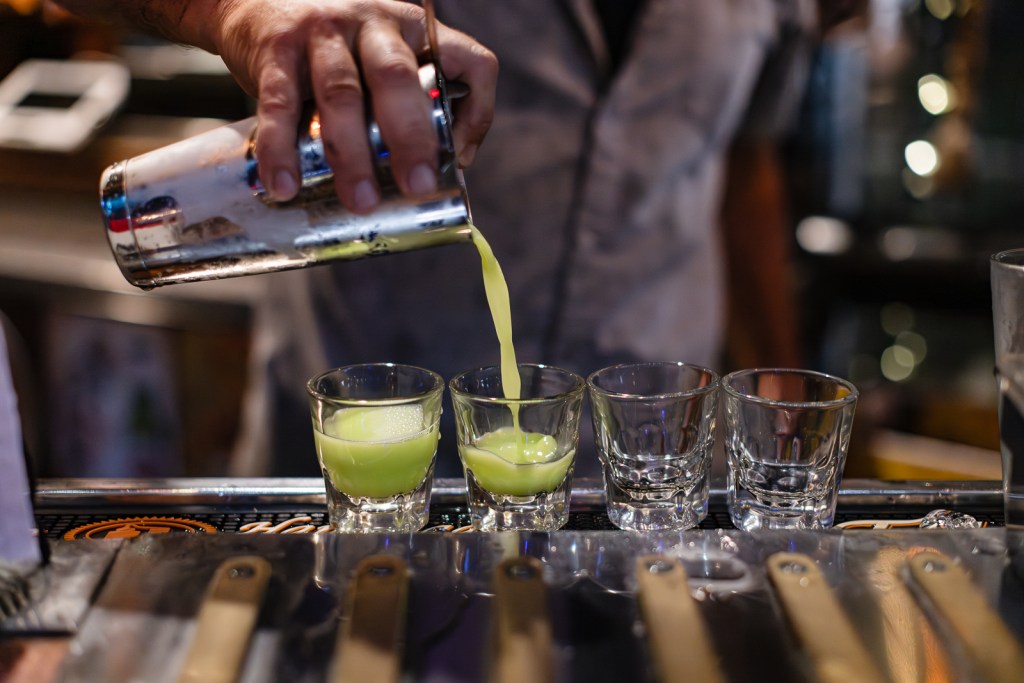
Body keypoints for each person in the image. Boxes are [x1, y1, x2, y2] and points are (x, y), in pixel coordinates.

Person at [54, 0, 814, 477]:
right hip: (361, 459)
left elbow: (747, 164)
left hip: (651, 457)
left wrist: (780, 375)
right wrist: (228, 9)